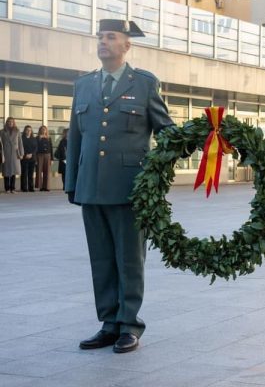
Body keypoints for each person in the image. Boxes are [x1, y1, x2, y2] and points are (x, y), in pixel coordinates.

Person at [66, 19, 175, 354]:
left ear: (127, 45)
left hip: (130, 188)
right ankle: (109, 323)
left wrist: (195, 142)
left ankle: (129, 325)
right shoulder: (83, 85)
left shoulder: (143, 83)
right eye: (100, 36)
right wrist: (73, 184)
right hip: (91, 186)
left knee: (129, 259)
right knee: (101, 259)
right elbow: (75, 138)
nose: (103, 41)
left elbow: (166, 130)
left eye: (110, 36)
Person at [1, 117, 23, 194]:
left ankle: (13, 188)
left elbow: (20, 143)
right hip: (6, 153)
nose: (10, 123)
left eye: (12, 122)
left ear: (14, 123)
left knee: (14, 171)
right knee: (6, 171)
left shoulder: (17, 131)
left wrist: (21, 153)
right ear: (6, 122)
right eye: (9, 122)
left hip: (15, 153)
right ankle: (7, 188)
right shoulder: (2, 132)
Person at [35, 125, 53, 192]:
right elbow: (35, 148)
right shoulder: (37, 138)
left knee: (47, 171)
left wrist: (52, 159)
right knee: (39, 170)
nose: (43, 130)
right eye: (42, 129)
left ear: (46, 130)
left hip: (47, 155)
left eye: (44, 129)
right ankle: (40, 186)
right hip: (39, 155)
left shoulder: (49, 138)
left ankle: (46, 186)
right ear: (40, 130)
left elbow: (51, 148)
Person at [20, 125, 37, 192]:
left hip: (32, 158)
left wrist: (31, 154)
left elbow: (36, 148)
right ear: (25, 131)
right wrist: (25, 154)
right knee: (24, 173)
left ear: (31, 131)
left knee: (31, 173)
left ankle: (31, 187)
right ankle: (24, 187)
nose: (29, 131)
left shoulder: (33, 138)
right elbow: (21, 148)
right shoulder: (22, 138)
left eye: (30, 130)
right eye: (27, 130)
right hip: (24, 158)